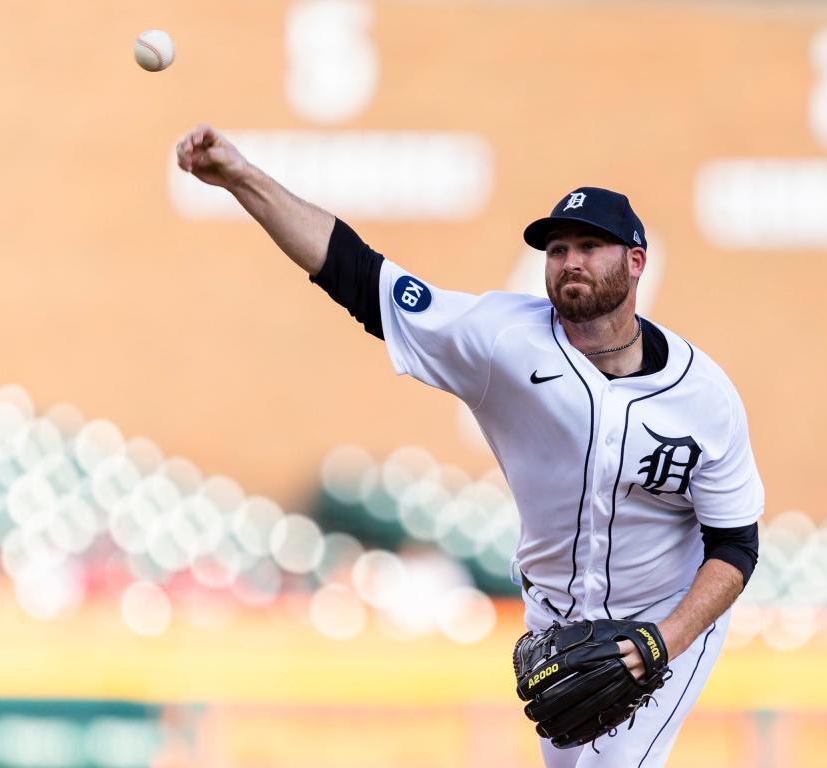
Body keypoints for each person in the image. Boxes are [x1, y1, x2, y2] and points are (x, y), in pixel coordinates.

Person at [175, 124, 764, 768]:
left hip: (666, 614)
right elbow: (355, 272)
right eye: (557, 247)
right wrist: (240, 177)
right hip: (558, 621)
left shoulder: (704, 395)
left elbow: (736, 543)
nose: (569, 260)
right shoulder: (502, 342)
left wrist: (664, 641)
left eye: (591, 246)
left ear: (635, 262)